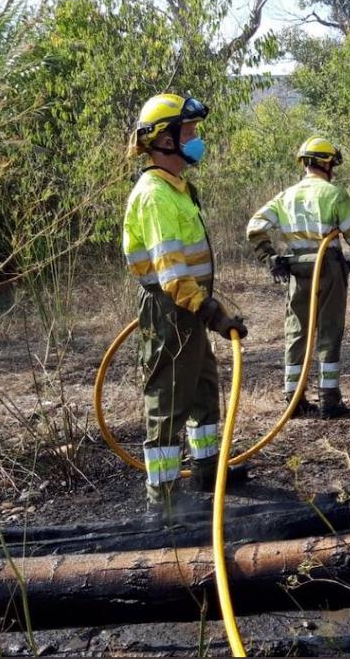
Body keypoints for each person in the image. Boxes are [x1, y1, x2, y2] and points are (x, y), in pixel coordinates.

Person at [122, 93, 247, 519]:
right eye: (189, 133)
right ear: (165, 141)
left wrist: (207, 309)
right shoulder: (155, 194)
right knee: (169, 399)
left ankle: (210, 473)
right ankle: (165, 498)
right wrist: (210, 311)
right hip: (172, 310)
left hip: (188, 310)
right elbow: (172, 274)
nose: (197, 140)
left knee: (202, 391)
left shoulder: (177, 188)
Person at [246, 136, 350, 418]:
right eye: (332, 163)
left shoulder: (286, 196)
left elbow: (254, 227)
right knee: (329, 330)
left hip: (297, 268)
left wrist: (269, 257)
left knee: (297, 332)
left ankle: (293, 398)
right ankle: (329, 400)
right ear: (326, 163)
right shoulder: (334, 194)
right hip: (328, 268)